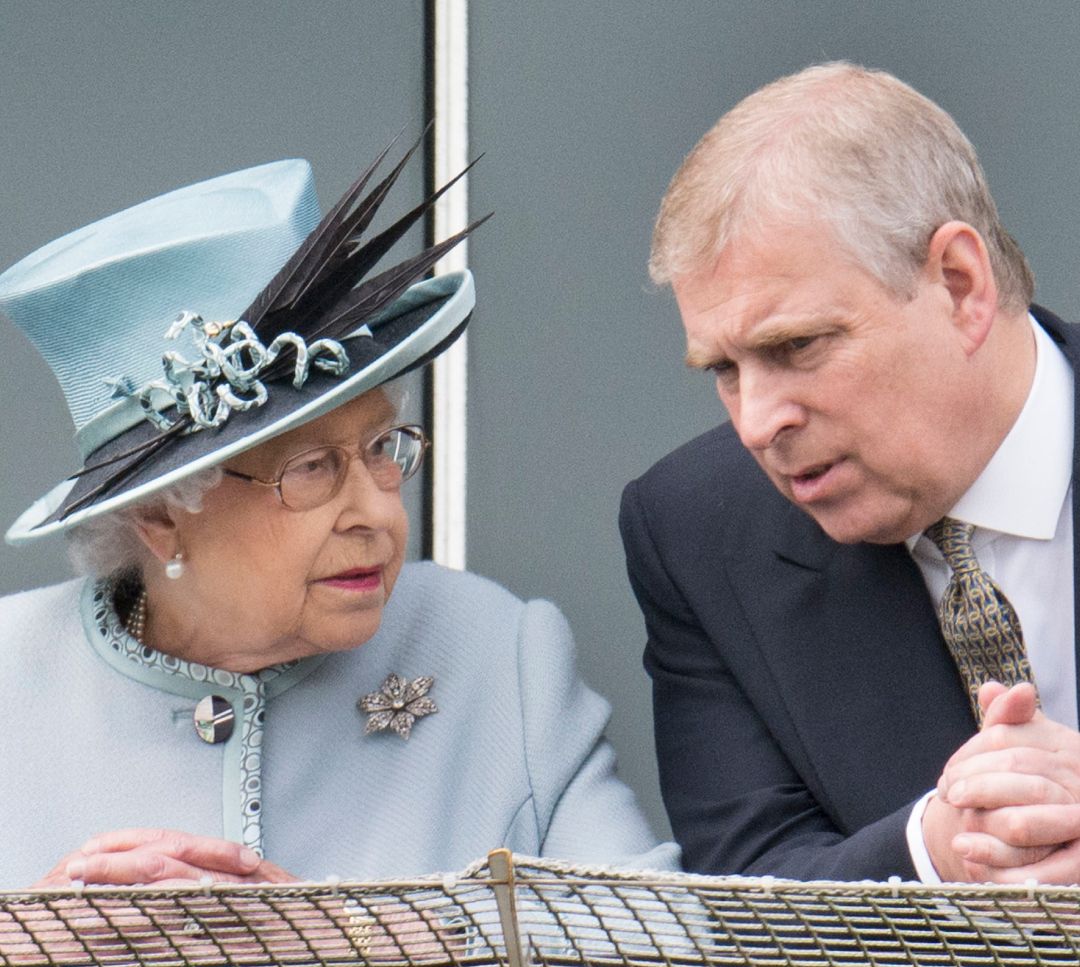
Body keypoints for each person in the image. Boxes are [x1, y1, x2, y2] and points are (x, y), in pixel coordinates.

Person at [0, 144, 678, 892]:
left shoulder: (494, 652)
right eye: (312, 469)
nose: (377, 511)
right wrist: (26, 954)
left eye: (381, 448)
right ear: (161, 515)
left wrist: (356, 945)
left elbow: (667, 956)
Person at [620, 61, 1080, 885]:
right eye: (722, 370)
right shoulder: (695, 528)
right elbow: (748, 897)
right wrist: (939, 851)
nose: (758, 423)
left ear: (959, 286)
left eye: (797, 347)